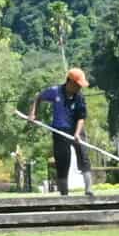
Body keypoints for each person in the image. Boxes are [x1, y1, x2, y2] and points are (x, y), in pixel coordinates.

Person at [29, 67, 93, 197]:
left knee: (84, 158)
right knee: (62, 162)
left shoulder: (80, 97)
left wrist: (76, 133)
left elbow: (81, 117)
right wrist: (32, 113)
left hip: (77, 130)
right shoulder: (55, 92)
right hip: (59, 131)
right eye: (78, 85)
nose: (79, 88)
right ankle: (64, 195)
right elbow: (39, 97)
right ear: (70, 82)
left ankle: (89, 190)